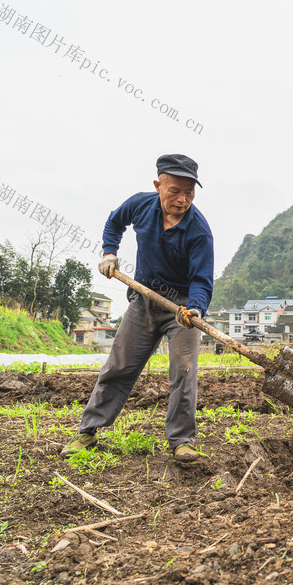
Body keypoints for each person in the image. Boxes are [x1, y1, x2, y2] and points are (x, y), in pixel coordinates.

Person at [61, 154, 213, 462]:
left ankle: (182, 441)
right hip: (143, 300)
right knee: (118, 365)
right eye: (175, 191)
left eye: (189, 192)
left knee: (184, 370)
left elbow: (201, 279)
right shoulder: (141, 205)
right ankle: (87, 432)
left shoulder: (199, 231)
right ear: (158, 186)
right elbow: (115, 222)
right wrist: (108, 252)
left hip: (181, 309)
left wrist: (194, 311)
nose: (182, 199)